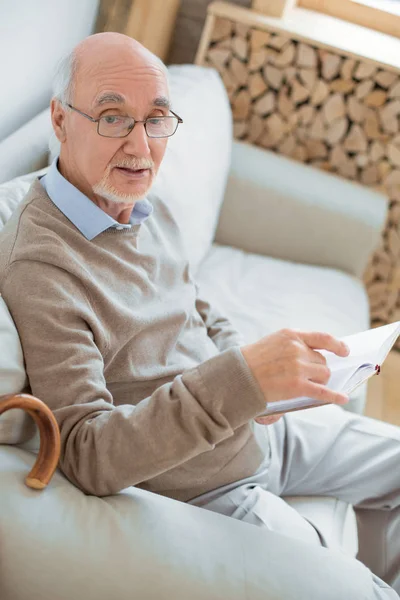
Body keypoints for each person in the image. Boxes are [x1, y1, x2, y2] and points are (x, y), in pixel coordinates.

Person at [0, 32, 398, 599]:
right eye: (113, 117)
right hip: (203, 485)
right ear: (60, 121)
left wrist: (266, 384)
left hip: (260, 430)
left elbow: (198, 305)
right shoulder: (40, 266)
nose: (141, 145)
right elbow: (87, 454)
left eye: (156, 118)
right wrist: (242, 380)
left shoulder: (141, 204)